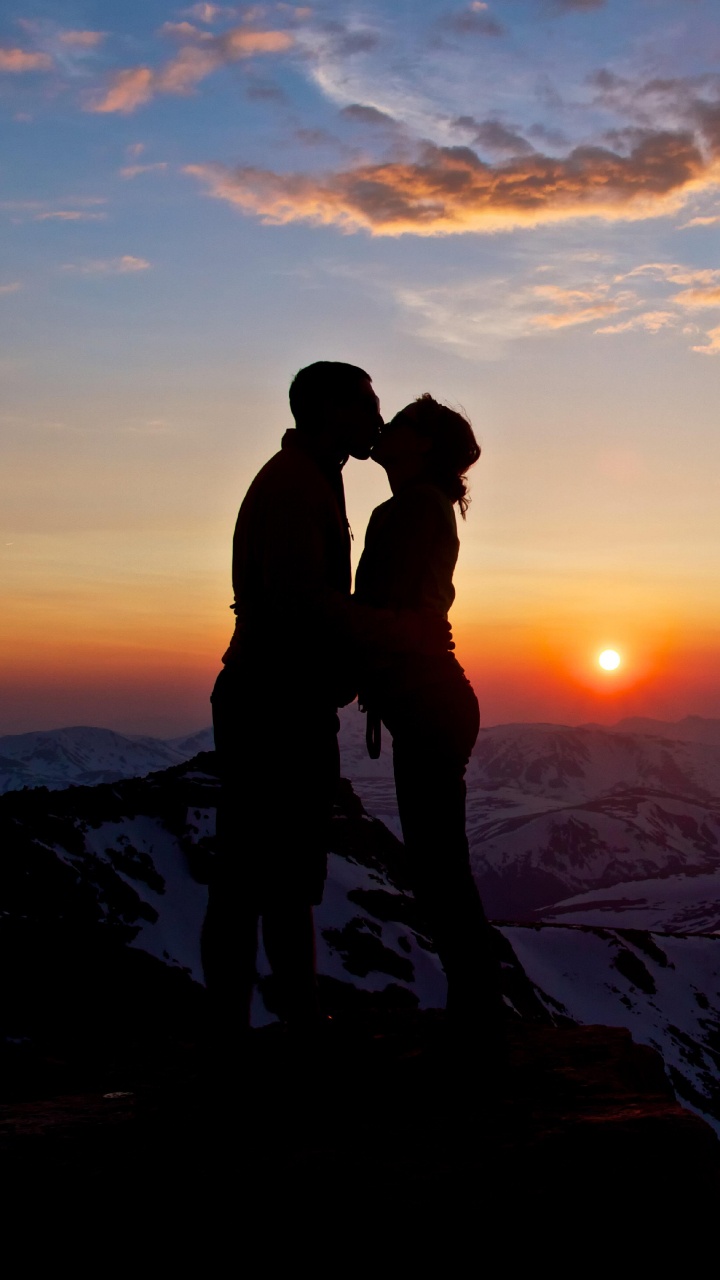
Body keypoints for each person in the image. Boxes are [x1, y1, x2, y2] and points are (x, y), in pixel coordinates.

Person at [202, 363, 450, 1040]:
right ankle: (263, 1030)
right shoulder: (293, 488)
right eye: (367, 406)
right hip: (272, 702)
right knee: (258, 876)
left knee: (275, 873)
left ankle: (288, 1024)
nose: (378, 419)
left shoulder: (314, 477)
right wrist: (403, 632)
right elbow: (302, 609)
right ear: (332, 410)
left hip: (282, 698)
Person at [354, 394, 504, 1046]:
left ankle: (478, 1020)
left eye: (403, 423)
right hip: (432, 701)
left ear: (422, 445)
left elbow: (405, 618)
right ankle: (476, 1015)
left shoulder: (412, 509)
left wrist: (327, 618)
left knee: (440, 870)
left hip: (427, 700)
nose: (387, 429)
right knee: (441, 867)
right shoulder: (420, 508)